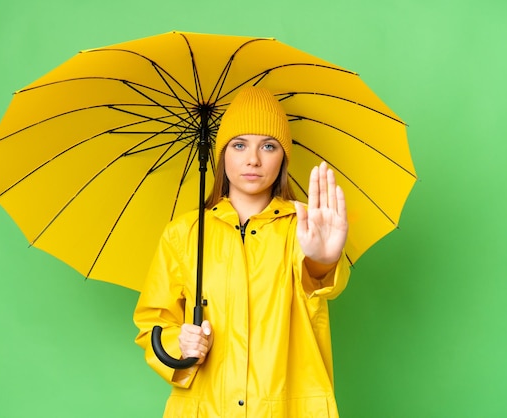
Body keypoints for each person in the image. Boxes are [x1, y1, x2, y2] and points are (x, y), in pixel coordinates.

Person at [133, 86, 351, 417]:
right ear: (222, 154)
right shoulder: (184, 235)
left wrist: (323, 260)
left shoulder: (304, 227)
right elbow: (153, 324)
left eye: (268, 145)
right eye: (239, 145)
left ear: (283, 157)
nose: (253, 159)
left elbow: (319, 285)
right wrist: (181, 343)